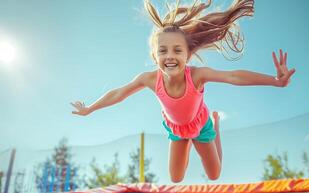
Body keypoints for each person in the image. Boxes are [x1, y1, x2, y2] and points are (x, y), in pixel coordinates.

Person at [71, 0, 295, 183]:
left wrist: (275, 81)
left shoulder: (197, 75)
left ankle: (216, 126)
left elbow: (233, 76)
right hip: (177, 129)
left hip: (201, 124)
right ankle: (187, 142)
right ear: (154, 56)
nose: (170, 56)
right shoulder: (149, 79)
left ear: (187, 55)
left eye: (177, 50)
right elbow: (119, 93)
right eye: (163, 51)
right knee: (176, 178)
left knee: (214, 175)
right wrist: (90, 108)